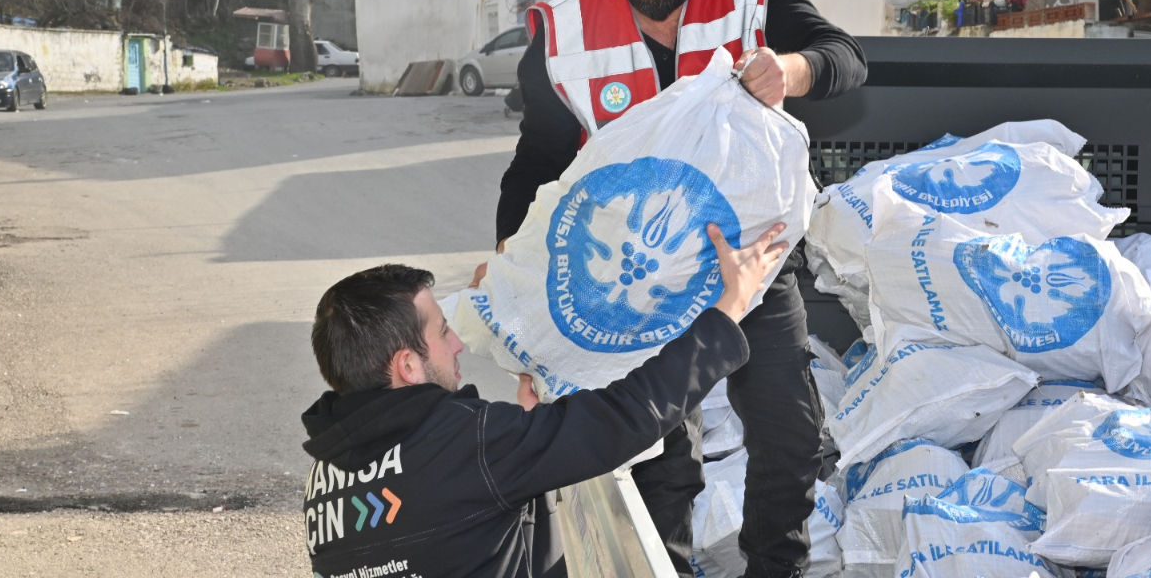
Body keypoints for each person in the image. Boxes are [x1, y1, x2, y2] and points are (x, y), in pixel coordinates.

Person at [494, 0, 867, 576]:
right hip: (638, 275)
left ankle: (776, 568)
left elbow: (846, 59)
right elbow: (536, 163)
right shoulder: (563, 29)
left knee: (788, 433)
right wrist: (516, 287)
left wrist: (791, 71)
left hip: (749, 258)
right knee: (660, 451)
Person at [300, 222, 790, 578]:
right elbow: (623, 418)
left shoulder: (323, 484)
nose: (456, 344)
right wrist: (729, 309)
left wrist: (528, 442)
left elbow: (445, 520)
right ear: (407, 366)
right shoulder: (469, 444)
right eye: (444, 332)